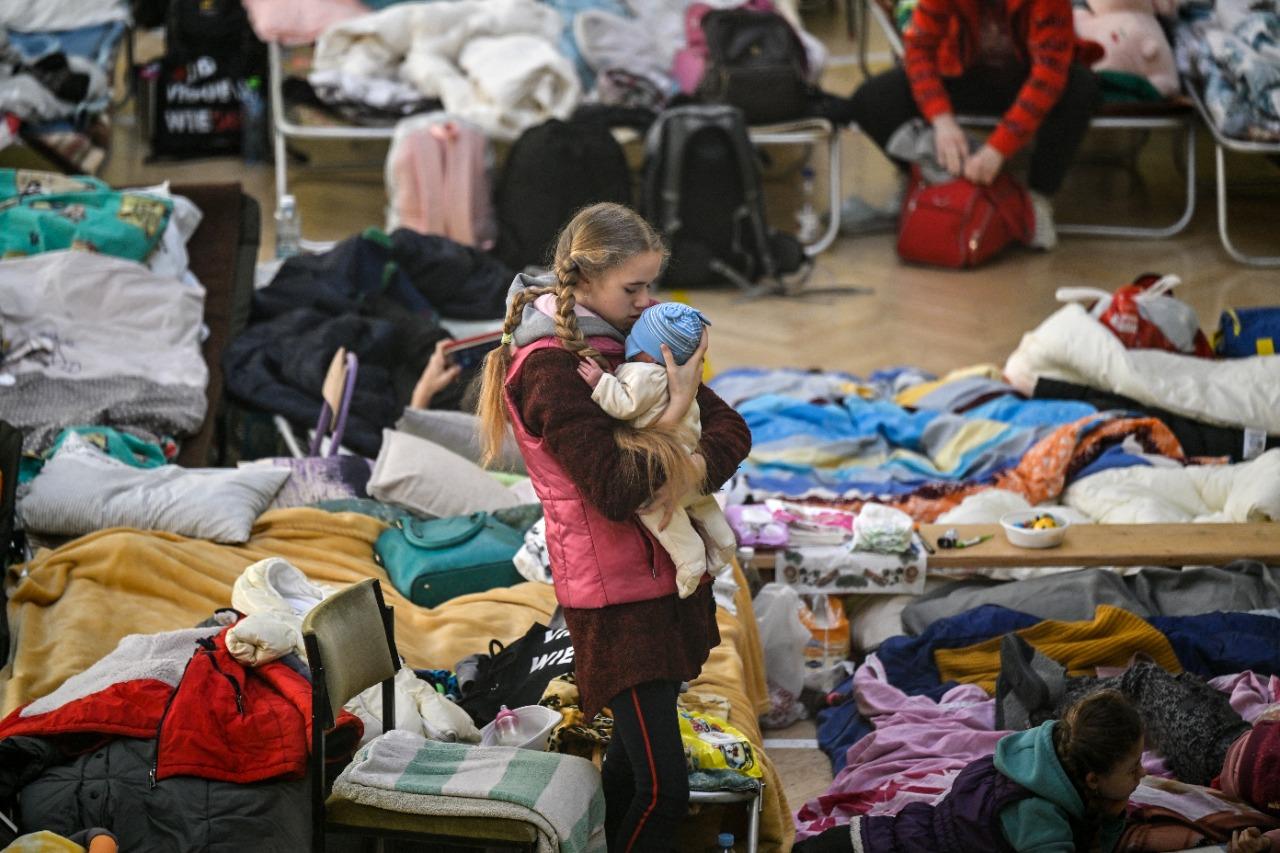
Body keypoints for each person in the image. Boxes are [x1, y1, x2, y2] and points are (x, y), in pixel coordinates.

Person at [474, 202, 751, 852]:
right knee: (664, 790)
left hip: (656, 586)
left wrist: (680, 449)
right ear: (587, 279)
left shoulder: (625, 343)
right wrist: (680, 410)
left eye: (651, 285)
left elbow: (735, 430)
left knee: (631, 767)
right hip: (615, 599)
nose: (646, 300)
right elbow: (615, 488)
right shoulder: (548, 367)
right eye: (634, 287)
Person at [836, 0, 1100, 249]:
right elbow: (918, 49)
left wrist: (997, 149)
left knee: (1080, 87)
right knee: (871, 98)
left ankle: (1036, 199)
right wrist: (942, 120)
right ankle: (929, 174)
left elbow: (1049, 75)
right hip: (963, 73)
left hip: (1024, 76)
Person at [796, 689, 1145, 852]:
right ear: (1093, 779)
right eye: (1132, 769)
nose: (1142, 776)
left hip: (872, 838)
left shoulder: (1041, 757)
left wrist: (1112, 813)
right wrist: (1111, 819)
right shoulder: (1037, 812)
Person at [576, 301, 738, 599]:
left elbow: (625, 406)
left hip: (665, 469)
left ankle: (690, 561)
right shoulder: (679, 377)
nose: (641, 299)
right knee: (702, 505)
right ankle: (724, 543)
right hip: (691, 461)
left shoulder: (642, 373)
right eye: (632, 290)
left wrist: (601, 382)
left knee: (660, 513)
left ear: (648, 351)